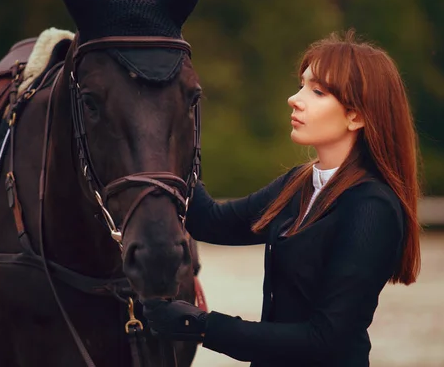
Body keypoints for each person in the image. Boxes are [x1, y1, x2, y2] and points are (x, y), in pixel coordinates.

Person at [142, 30, 422, 367]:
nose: (295, 98)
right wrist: (166, 135)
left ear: (355, 116)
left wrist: (203, 327)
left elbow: (325, 339)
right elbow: (209, 221)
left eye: (317, 91)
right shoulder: (299, 185)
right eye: (302, 85)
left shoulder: (371, 208)